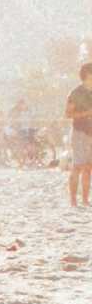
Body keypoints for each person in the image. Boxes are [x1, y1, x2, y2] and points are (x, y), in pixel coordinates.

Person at [67, 62, 92, 207]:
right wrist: (87, 113)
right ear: (88, 75)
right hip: (79, 132)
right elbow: (68, 114)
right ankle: (73, 200)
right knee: (77, 166)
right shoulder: (76, 93)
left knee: (89, 166)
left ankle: (85, 199)